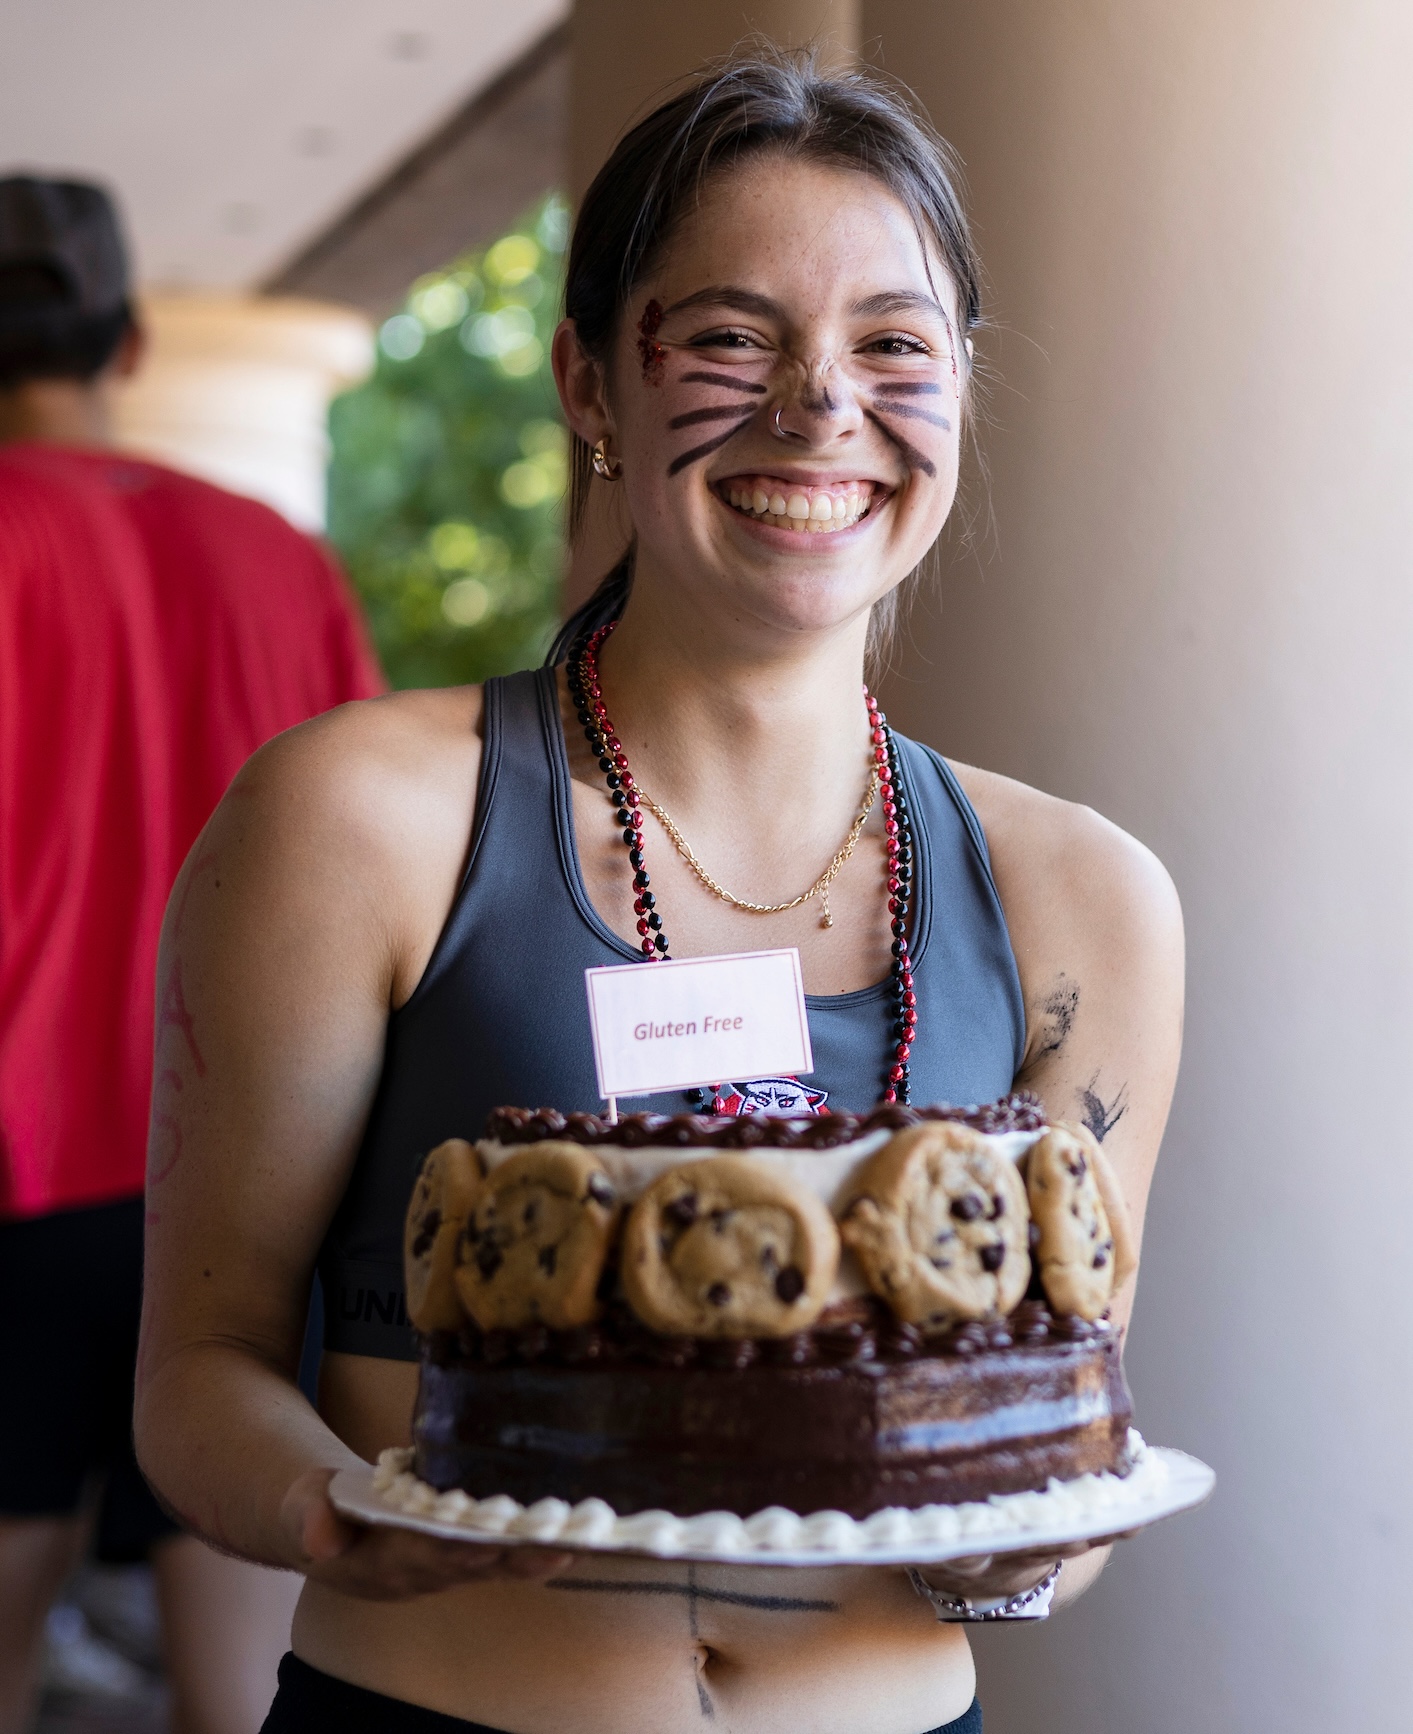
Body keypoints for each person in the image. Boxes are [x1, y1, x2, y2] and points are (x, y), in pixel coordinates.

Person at [134, 54, 1184, 1734]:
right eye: (729, 337)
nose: (817, 403)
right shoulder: (360, 818)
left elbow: (1063, 1426)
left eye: (891, 345)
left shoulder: (1086, 900)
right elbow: (199, 1364)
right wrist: (336, 1512)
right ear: (589, 383)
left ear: (959, 394)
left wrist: (1024, 1545)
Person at [0, 175, 385, 1734]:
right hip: (258, 1168)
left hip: (16, 1177)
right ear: (133, 342)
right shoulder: (276, 559)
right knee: (253, 1699)